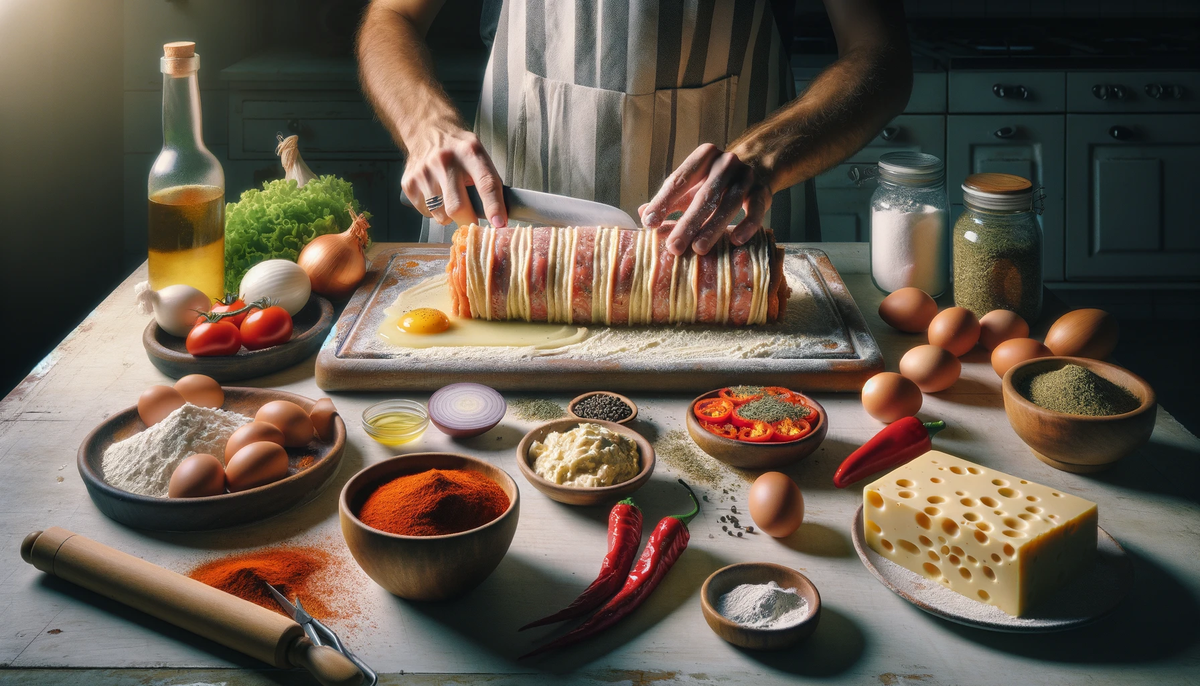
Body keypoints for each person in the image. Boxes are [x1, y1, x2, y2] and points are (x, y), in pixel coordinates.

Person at [359, 0, 911, 255]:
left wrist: (765, 157)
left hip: (725, 231)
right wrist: (425, 124)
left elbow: (879, 54)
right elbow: (392, 17)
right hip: (517, 233)